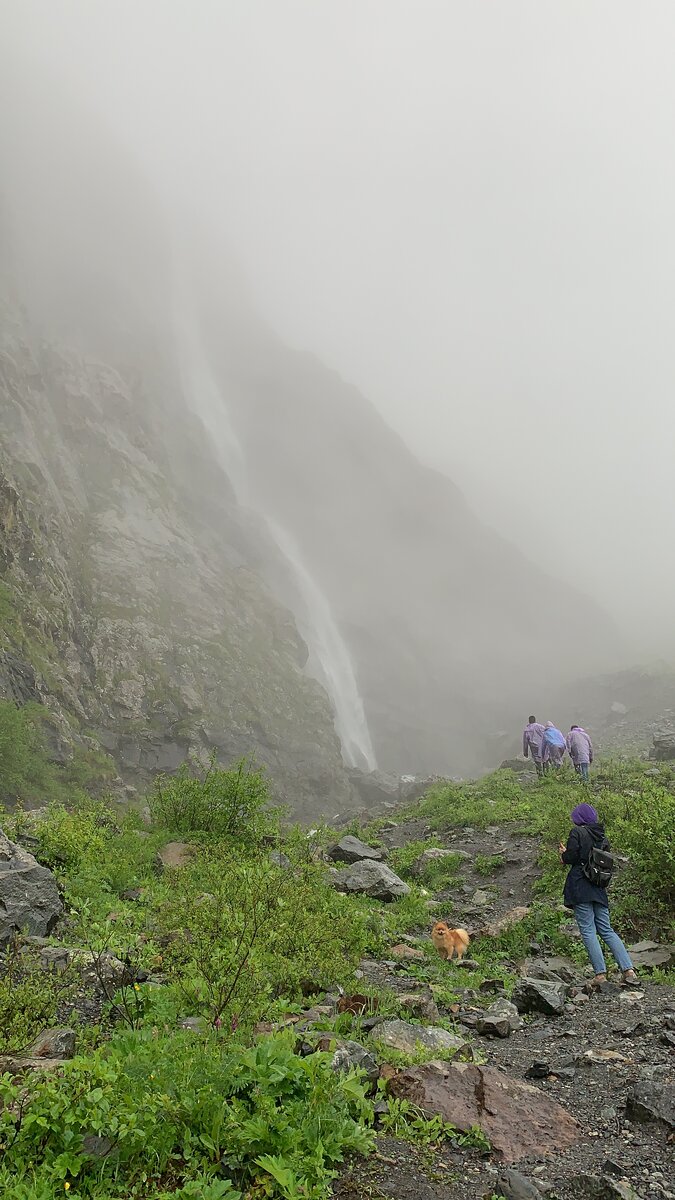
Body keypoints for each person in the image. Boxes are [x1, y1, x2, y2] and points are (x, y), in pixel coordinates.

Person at [559, 802, 638, 987]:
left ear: (579, 818)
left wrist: (563, 855)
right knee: (606, 929)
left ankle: (600, 975)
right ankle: (628, 970)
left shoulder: (577, 832)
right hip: (598, 887)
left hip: (580, 886)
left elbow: (572, 857)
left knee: (588, 930)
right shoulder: (602, 836)